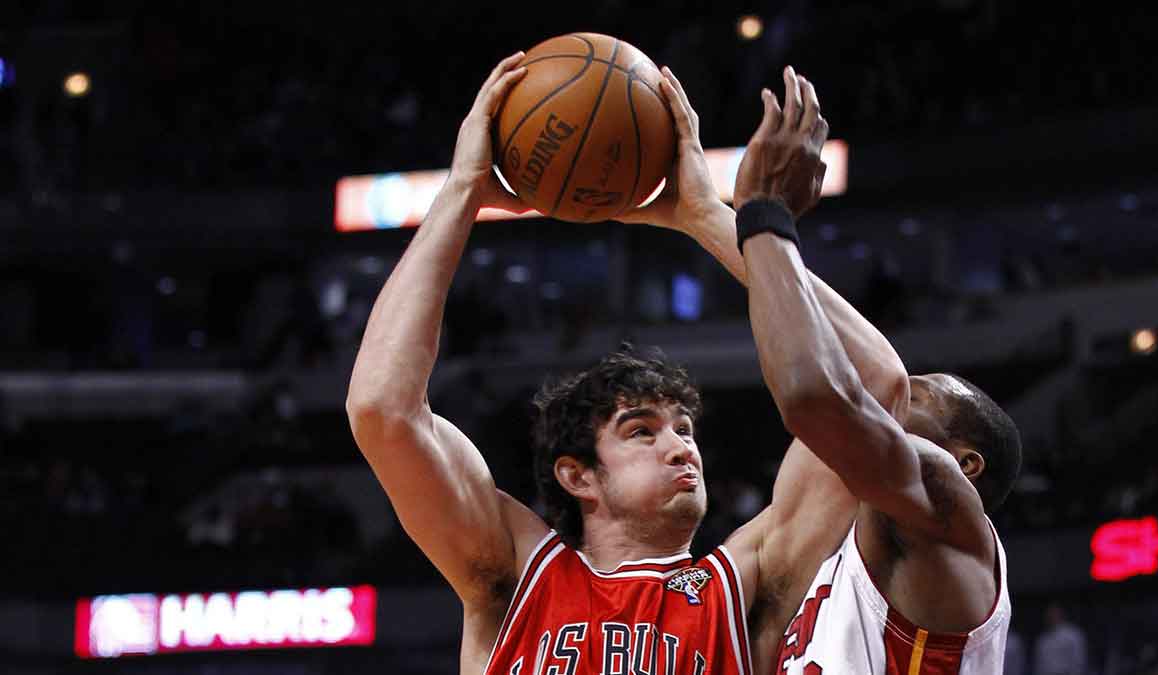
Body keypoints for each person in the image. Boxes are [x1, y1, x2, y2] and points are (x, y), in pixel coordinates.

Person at [346, 53, 904, 674]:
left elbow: (877, 388)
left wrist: (713, 219)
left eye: (684, 430)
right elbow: (382, 409)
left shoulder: (746, 587)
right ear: (578, 476)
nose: (681, 448)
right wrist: (460, 194)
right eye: (642, 431)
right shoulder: (513, 575)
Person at [729, 73, 1021, 672]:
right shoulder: (834, 562)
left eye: (915, 397)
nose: (884, 393)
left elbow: (816, 395)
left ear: (965, 462)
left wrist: (765, 213)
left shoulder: (947, 516)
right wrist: (700, 213)